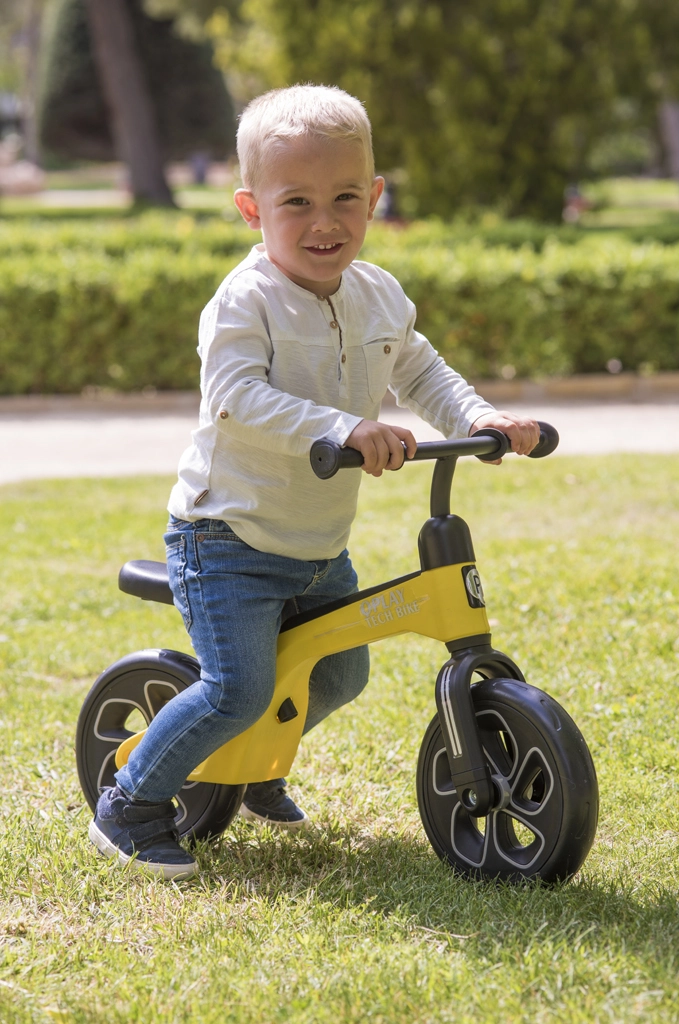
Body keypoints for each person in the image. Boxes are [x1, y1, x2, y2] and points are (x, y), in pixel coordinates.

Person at [89, 84, 540, 879]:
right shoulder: (246, 301)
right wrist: (341, 427)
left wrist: (481, 416)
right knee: (236, 689)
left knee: (340, 672)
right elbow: (235, 396)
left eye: (344, 198)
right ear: (252, 209)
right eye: (296, 201)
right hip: (226, 537)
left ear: (375, 197)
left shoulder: (378, 295)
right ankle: (129, 804)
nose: (324, 221)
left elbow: (421, 370)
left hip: (316, 544)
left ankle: (256, 762)